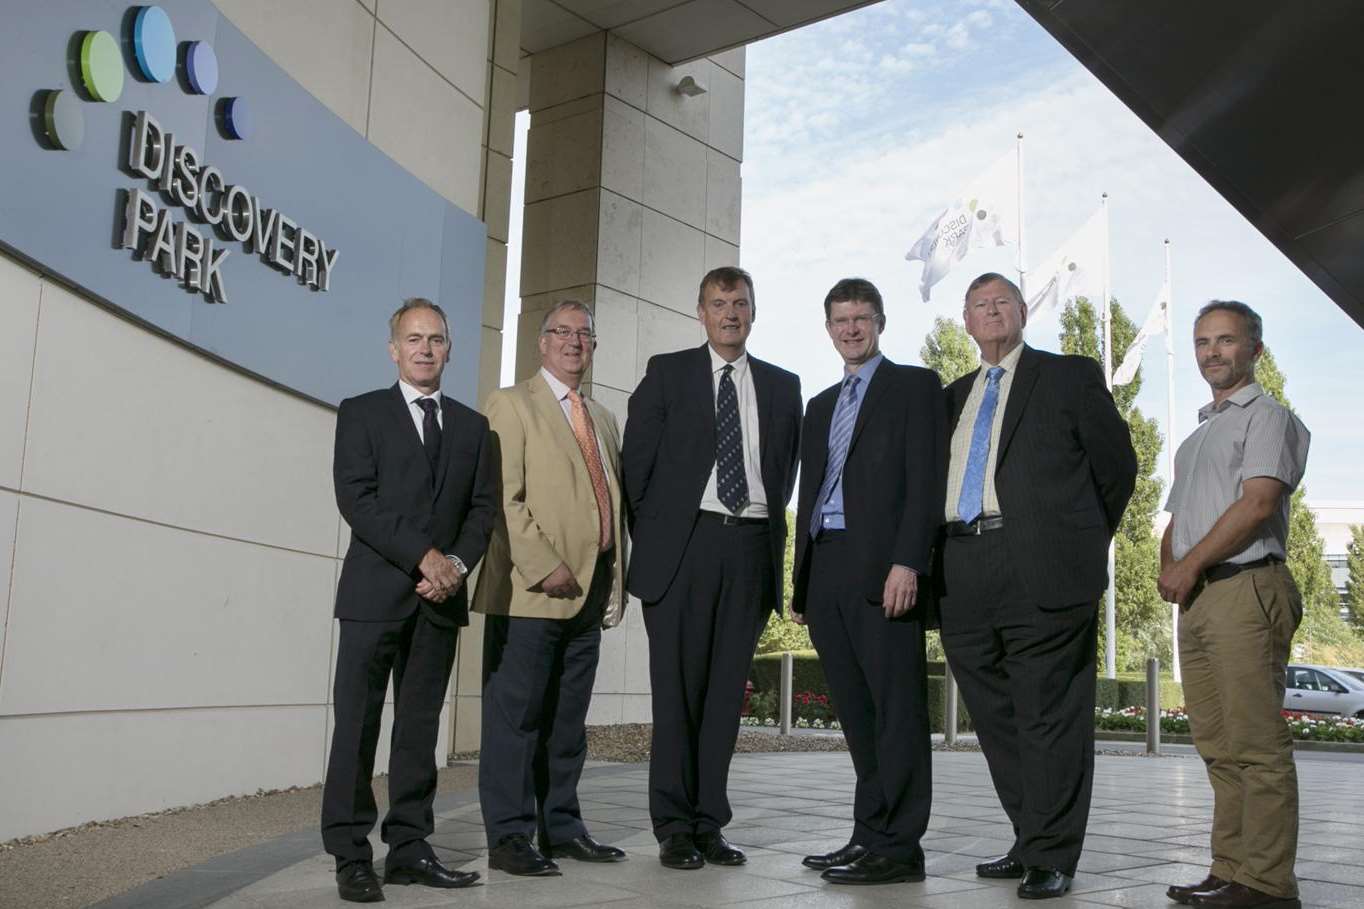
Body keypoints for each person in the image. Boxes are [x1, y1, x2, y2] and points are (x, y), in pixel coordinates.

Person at [937, 273, 1136, 900]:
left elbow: (1117, 467)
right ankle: (1029, 838)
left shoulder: (1069, 376)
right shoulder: (951, 397)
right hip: (963, 567)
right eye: (979, 305)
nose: (991, 312)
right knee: (995, 718)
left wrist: (1079, 542)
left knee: (1050, 715)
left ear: (1023, 312)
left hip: (1046, 568)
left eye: (1002, 302)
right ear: (965, 320)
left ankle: (1053, 853)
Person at [622, 266, 802, 870]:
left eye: (741, 304)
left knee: (725, 698)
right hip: (684, 550)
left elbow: (782, 475)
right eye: (719, 303)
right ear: (700, 312)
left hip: (748, 549)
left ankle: (709, 824)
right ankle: (673, 826)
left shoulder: (783, 386)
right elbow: (635, 472)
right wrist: (660, 539)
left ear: (754, 312)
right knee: (678, 695)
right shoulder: (667, 374)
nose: (731, 313)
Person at [323, 297, 495, 902]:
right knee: (357, 729)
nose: (426, 349)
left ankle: (410, 850)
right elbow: (356, 498)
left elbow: (482, 511)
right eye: (414, 339)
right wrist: (424, 556)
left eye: (437, 339)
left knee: (419, 732)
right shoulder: (362, 413)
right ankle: (350, 854)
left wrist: (454, 565)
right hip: (375, 595)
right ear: (394, 349)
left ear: (450, 348)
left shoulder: (475, 429)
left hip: (439, 601)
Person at [790, 278, 946, 885]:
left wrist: (909, 561)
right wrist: (802, 583)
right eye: (839, 320)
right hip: (826, 564)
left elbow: (925, 478)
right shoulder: (821, 405)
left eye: (861, 318)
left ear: (880, 322)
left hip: (884, 567)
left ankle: (901, 847)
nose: (850, 329)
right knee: (856, 712)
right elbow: (810, 492)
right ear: (828, 328)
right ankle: (868, 833)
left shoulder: (913, 386)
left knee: (896, 711)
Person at [1158, 301, 1309, 909]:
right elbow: (1176, 519)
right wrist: (1171, 566)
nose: (1212, 353)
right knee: (1218, 746)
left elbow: (1257, 504)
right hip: (1199, 598)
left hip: (1246, 587)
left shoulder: (1267, 416)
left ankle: (1268, 886)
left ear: (1255, 350)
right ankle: (1230, 870)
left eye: (1225, 341)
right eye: (1202, 343)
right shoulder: (1197, 436)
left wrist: (1188, 566)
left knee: (1256, 748)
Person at [473, 300, 629, 876]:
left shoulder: (603, 419)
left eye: (584, 333)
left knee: (567, 723)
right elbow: (502, 497)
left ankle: (561, 827)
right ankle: (510, 837)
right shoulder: (512, 405)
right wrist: (545, 564)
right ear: (541, 343)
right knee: (516, 721)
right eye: (561, 332)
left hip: (589, 595)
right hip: (531, 592)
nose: (573, 342)